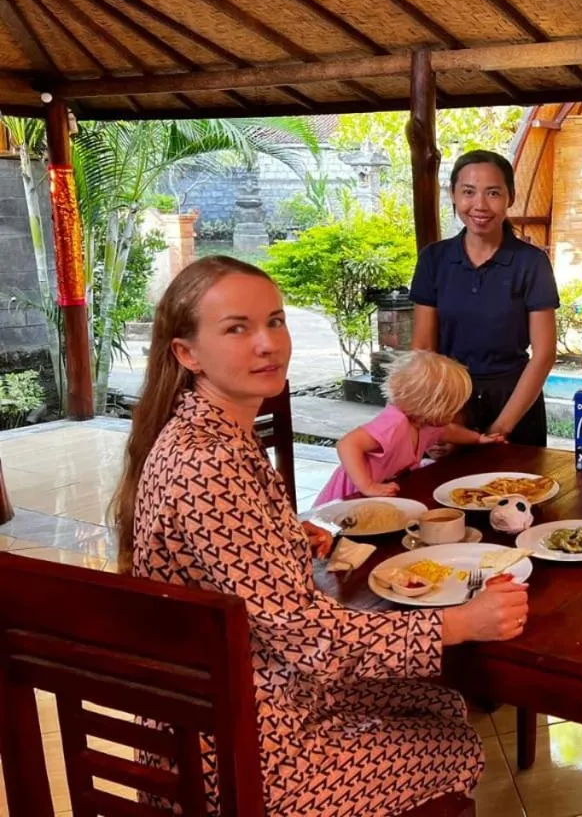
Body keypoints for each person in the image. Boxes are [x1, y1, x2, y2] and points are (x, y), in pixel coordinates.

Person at [110, 256, 529, 817]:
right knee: (453, 742)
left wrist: (284, 535)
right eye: (237, 328)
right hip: (240, 755)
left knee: (438, 701)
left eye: (276, 321)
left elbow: (240, 569)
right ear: (187, 354)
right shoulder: (208, 463)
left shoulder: (208, 435)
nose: (268, 343)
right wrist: (458, 623)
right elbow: (308, 634)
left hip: (251, 699)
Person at [411, 150, 559, 446]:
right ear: (453, 194)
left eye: (493, 193)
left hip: (515, 404)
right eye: (468, 192)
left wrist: (500, 428)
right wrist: (437, 420)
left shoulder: (531, 263)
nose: (479, 205)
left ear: (510, 197)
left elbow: (544, 354)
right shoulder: (434, 259)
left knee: (519, 490)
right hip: (449, 404)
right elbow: (424, 348)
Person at [314, 350, 503, 506]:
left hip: (379, 494)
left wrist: (478, 439)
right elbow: (347, 444)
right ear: (429, 405)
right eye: (450, 409)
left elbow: (449, 432)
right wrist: (367, 485)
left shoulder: (426, 424)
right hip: (348, 497)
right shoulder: (395, 424)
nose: (453, 415)